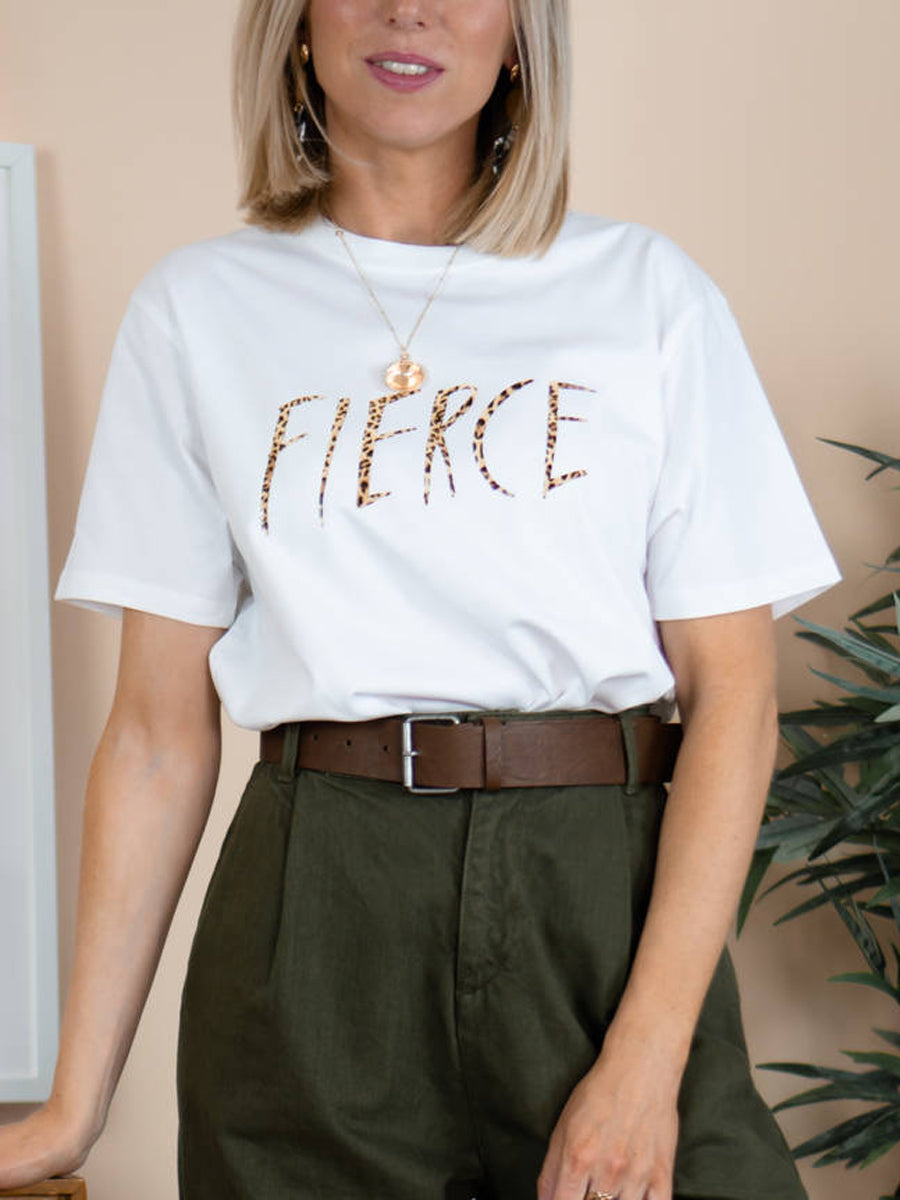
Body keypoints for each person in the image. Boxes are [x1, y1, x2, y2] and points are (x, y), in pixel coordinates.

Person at [0, 0, 842, 1197]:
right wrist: (74, 1105)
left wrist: (646, 1061)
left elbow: (735, 700)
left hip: (597, 898)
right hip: (316, 913)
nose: (411, 9)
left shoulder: (646, 293)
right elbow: (152, 735)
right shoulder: (198, 309)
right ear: (297, 23)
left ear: (521, 34)